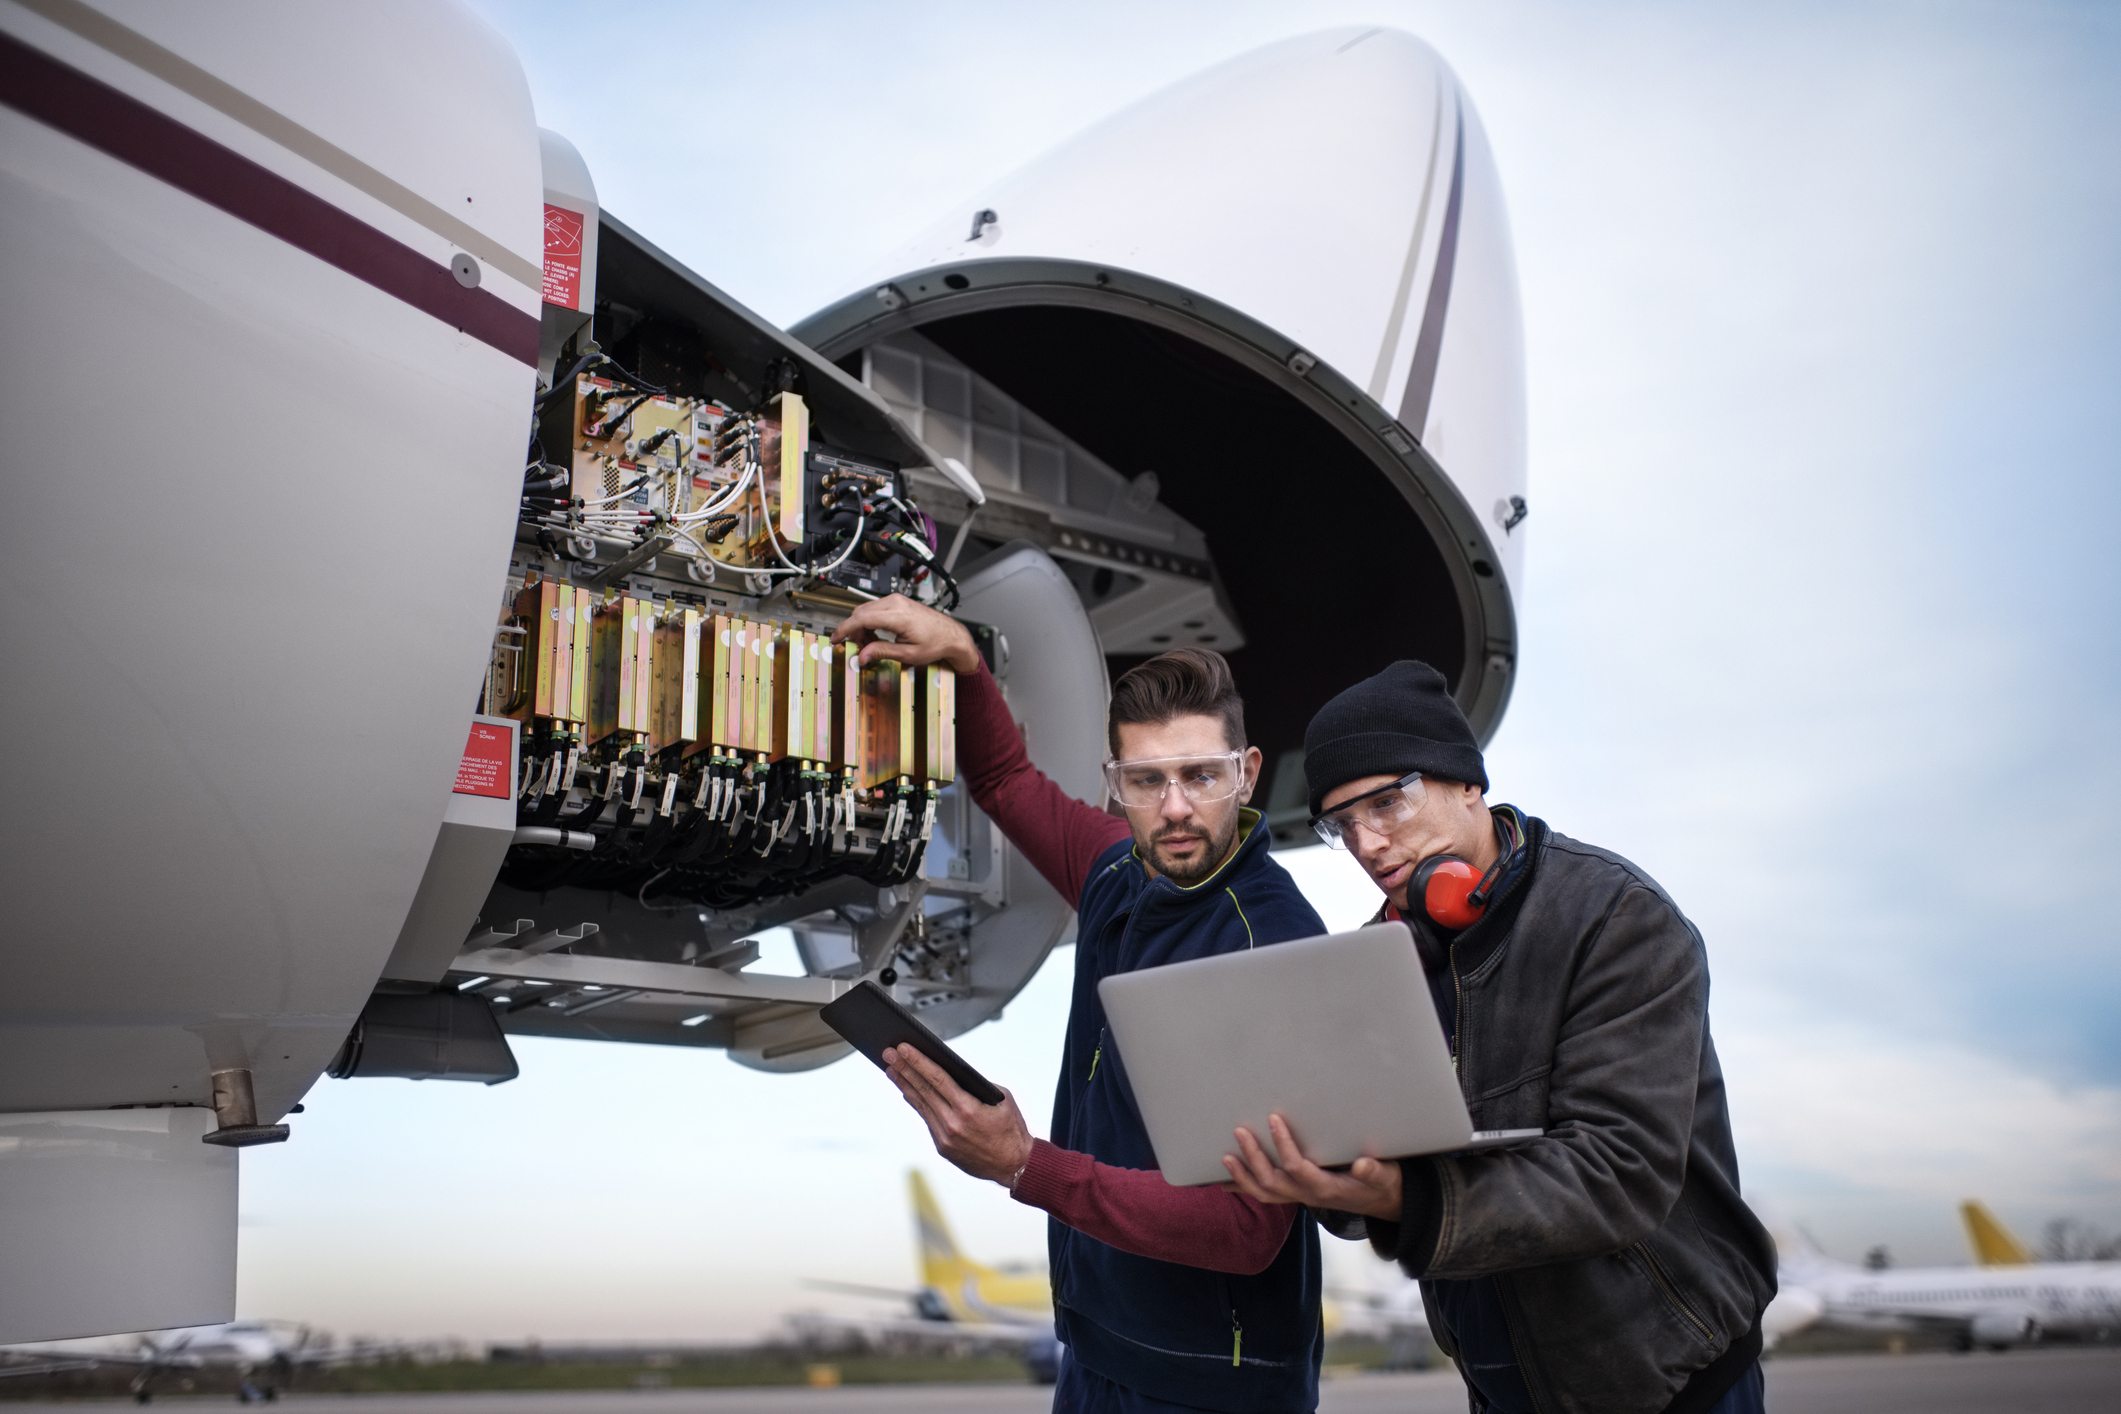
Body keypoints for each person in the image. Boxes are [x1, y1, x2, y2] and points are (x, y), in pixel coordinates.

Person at [1221, 661, 1776, 1414]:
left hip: (1668, 1379)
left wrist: (1411, 1200)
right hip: (1501, 1385)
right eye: (1341, 825)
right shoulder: (1374, 964)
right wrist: (1318, 1169)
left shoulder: (1614, 919)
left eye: (1388, 803)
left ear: (1467, 783)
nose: (1368, 844)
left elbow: (1619, 1172)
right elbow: (1372, 1190)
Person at [832, 595, 1328, 1414]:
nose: (1173, 808)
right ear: (1117, 783)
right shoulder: (1114, 872)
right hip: (1095, 1346)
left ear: (1246, 772)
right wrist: (965, 664)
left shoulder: (1271, 945)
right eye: (1145, 780)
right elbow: (1002, 779)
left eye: (1200, 776)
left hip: (1210, 1381)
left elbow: (1246, 1232)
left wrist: (1027, 1165)